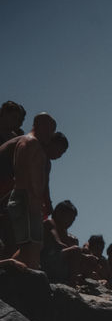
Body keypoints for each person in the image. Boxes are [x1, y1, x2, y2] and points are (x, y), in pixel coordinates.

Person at [1, 112, 57, 269]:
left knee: (31, 248)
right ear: (41, 125)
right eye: (50, 129)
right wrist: (33, 200)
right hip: (26, 199)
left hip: (25, 199)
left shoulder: (31, 143)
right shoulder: (30, 142)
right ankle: (6, 271)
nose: (51, 134)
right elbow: (24, 176)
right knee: (30, 248)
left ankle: (10, 273)